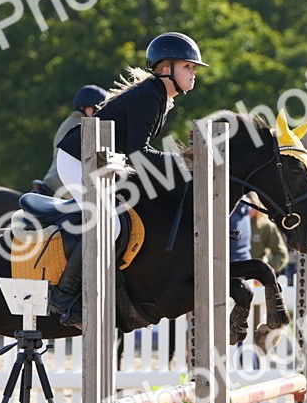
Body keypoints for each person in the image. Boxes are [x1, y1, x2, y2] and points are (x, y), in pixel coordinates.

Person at [49, 32, 206, 328]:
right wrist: (184, 163)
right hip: (77, 159)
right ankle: (64, 293)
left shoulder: (160, 98)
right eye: (188, 67)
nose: (194, 73)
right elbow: (139, 153)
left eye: (194, 68)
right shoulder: (151, 95)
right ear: (166, 68)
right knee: (108, 222)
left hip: (103, 162)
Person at [40, 84, 108, 197]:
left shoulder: (69, 122)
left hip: (54, 182)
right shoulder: (82, 127)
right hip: (67, 188)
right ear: (90, 110)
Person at [248, 192, 289, 272]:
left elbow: (281, 255)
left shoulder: (266, 226)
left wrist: (263, 271)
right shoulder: (234, 223)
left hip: (255, 277)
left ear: (257, 204)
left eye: (251, 206)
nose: (247, 209)